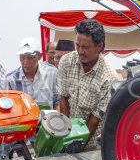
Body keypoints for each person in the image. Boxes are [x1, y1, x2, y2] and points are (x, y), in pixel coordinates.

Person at [57, 19, 118, 150]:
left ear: (100, 46)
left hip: (92, 146)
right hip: (67, 136)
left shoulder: (108, 78)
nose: (80, 51)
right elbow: (63, 97)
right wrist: (66, 135)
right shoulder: (66, 62)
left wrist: (78, 145)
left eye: (85, 47)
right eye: (77, 45)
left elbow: (95, 119)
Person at [6, 37, 59, 110]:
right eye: (22, 57)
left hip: (48, 120)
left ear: (39, 56)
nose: (26, 62)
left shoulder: (52, 73)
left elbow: (57, 100)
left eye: (30, 57)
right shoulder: (11, 80)